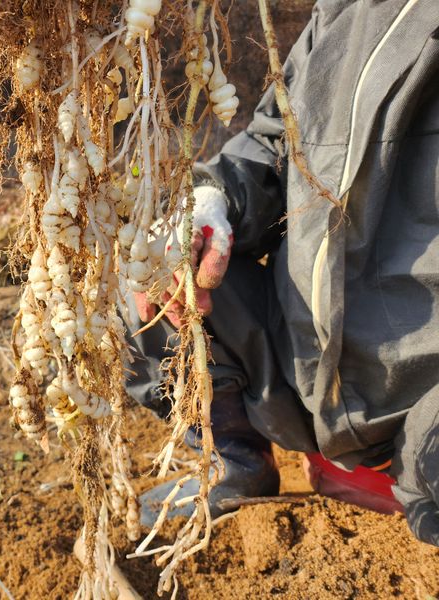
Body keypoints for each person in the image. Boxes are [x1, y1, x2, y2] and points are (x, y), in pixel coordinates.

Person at [127, 0, 439, 547]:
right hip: (303, 363)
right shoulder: (346, 10)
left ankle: (406, 472)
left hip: (424, 401)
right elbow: (276, 139)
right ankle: (237, 465)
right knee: (141, 275)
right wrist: (214, 200)